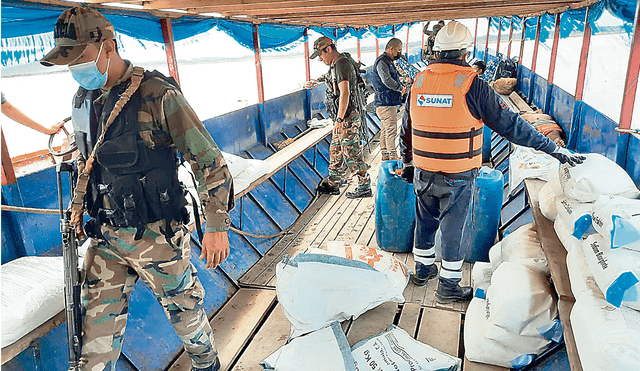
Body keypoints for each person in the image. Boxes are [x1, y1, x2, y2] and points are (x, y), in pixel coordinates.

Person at [40, 7, 233, 371]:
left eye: (79, 57)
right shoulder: (83, 99)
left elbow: (209, 162)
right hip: (104, 238)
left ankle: (207, 365)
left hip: (157, 237)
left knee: (187, 318)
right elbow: (87, 161)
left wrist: (217, 227)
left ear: (108, 47)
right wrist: (81, 208)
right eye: (68, 61)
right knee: (93, 341)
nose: (75, 69)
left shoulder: (158, 94)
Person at [399, 21, 585, 303]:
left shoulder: (419, 81)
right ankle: (448, 286)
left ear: (435, 51)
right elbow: (511, 125)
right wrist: (553, 149)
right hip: (457, 172)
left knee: (425, 219)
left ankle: (423, 270)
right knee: (453, 226)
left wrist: (408, 162)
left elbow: (406, 128)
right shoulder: (473, 85)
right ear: (465, 52)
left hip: (423, 169)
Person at [309, 36, 372, 198]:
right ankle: (333, 182)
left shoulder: (342, 64)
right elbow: (331, 76)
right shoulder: (337, 64)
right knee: (336, 150)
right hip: (343, 117)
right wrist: (317, 80)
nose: (321, 59)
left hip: (347, 118)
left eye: (321, 55)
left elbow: (345, 92)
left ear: (328, 49)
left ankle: (364, 185)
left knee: (351, 153)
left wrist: (339, 119)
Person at [372, 38, 409, 161]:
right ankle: (393, 155)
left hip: (386, 101)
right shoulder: (382, 62)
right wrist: (400, 88)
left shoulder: (388, 62)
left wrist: (402, 81)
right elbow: (386, 80)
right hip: (385, 102)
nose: (399, 53)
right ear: (391, 49)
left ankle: (385, 154)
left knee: (385, 128)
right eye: (398, 50)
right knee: (391, 129)